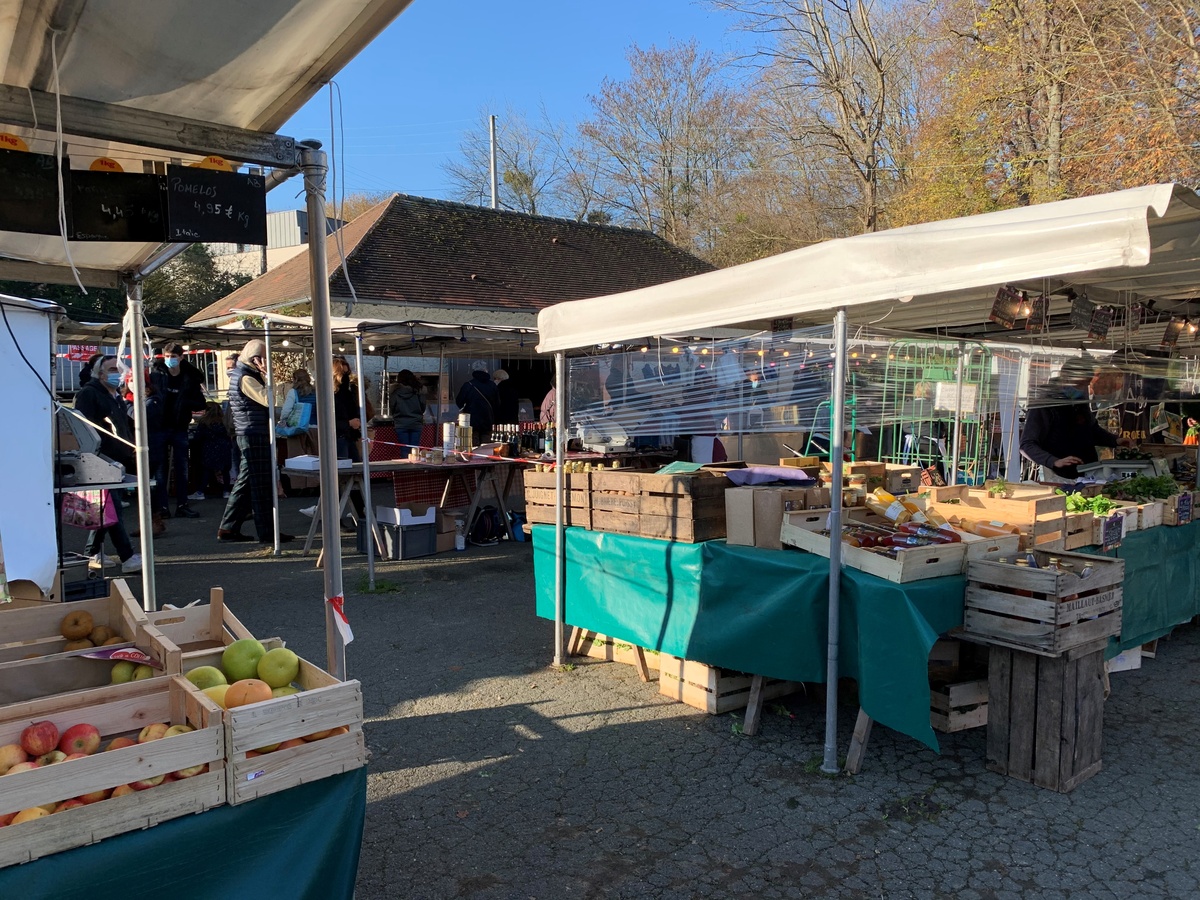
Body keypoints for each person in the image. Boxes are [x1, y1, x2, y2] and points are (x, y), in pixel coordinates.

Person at [218, 339, 293, 544]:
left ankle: (229, 527)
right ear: (256, 359)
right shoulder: (246, 377)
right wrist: (269, 376)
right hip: (254, 433)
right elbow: (270, 400)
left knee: (246, 482)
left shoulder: (243, 374)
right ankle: (267, 532)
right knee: (261, 485)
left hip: (250, 431)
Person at [72, 355, 142, 573]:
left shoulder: (115, 395)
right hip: (101, 459)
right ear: (99, 372)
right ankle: (127, 555)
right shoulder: (89, 394)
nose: (116, 374)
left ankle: (92, 552)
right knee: (112, 507)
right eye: (111, 369)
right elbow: (83, 428)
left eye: (118, 369)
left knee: (104, 508)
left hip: (116, 458)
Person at [1020, 356, 1134, 482]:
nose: (1082, 389)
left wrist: (1116, 441)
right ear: (1066, 378)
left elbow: (1091, 430)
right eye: (1079, 384)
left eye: (1086, 383)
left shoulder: (1079, 402)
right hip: (1059, 475)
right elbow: (1027, 445)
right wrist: (1054, 461)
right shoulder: (1045, 405)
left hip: (1088, 472)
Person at [150, 342, 207, 519]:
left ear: (181, 357)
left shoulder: (189, 378)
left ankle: (182, 504)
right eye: (167, 356)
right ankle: (162, 507)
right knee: (160, 468)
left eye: (173, 357)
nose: (170, 360)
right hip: (160, 426)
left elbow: (201, 403)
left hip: (179, 427)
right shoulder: (157, 375)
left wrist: (185, 403)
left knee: (182, 468)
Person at [190, 401, 234, 498]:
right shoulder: (223, 422)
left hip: (210, 449)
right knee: (225, 471)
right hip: (224, 449)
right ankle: (226, 491)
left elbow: (198, 437)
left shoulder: (204, 422)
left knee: (207, 471)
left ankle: (201, 492)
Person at [456, 362, 499, 437]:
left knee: (473, 444)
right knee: (486, 444)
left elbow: (459, 401)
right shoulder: (492, 385)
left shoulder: (468, 385)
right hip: (488, 419)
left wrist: (465, 408)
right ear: (486, 370)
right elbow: (497, 403)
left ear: (474, 370)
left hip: (472, 420)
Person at [390, 369, 426, 452]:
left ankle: (405, 464)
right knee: (415, 450)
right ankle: (415, 464)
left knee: (404, 449)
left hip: (401, 423)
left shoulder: (395, 392)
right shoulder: (419, 391)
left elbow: (392, 407)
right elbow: (423, 407)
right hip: (416, 422)